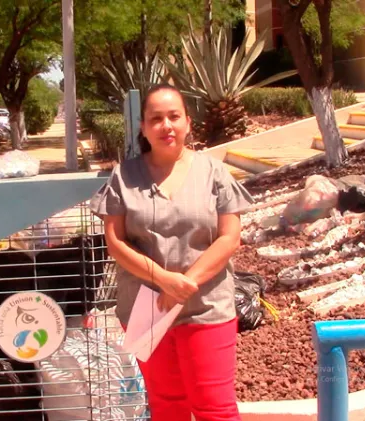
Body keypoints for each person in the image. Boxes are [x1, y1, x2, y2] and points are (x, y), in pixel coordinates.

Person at [89, 83, 254, 421]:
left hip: (206, 307)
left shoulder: (213, 172)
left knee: (215, 408)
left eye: (174, 117)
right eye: (156, 118)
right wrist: (163, 279)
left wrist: (186, 283)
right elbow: (115, 242)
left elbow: (229, 237)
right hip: (146, 310)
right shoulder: (124, 176)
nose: (166, 126)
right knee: (166, 407)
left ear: (188, 123)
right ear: (143, 127)